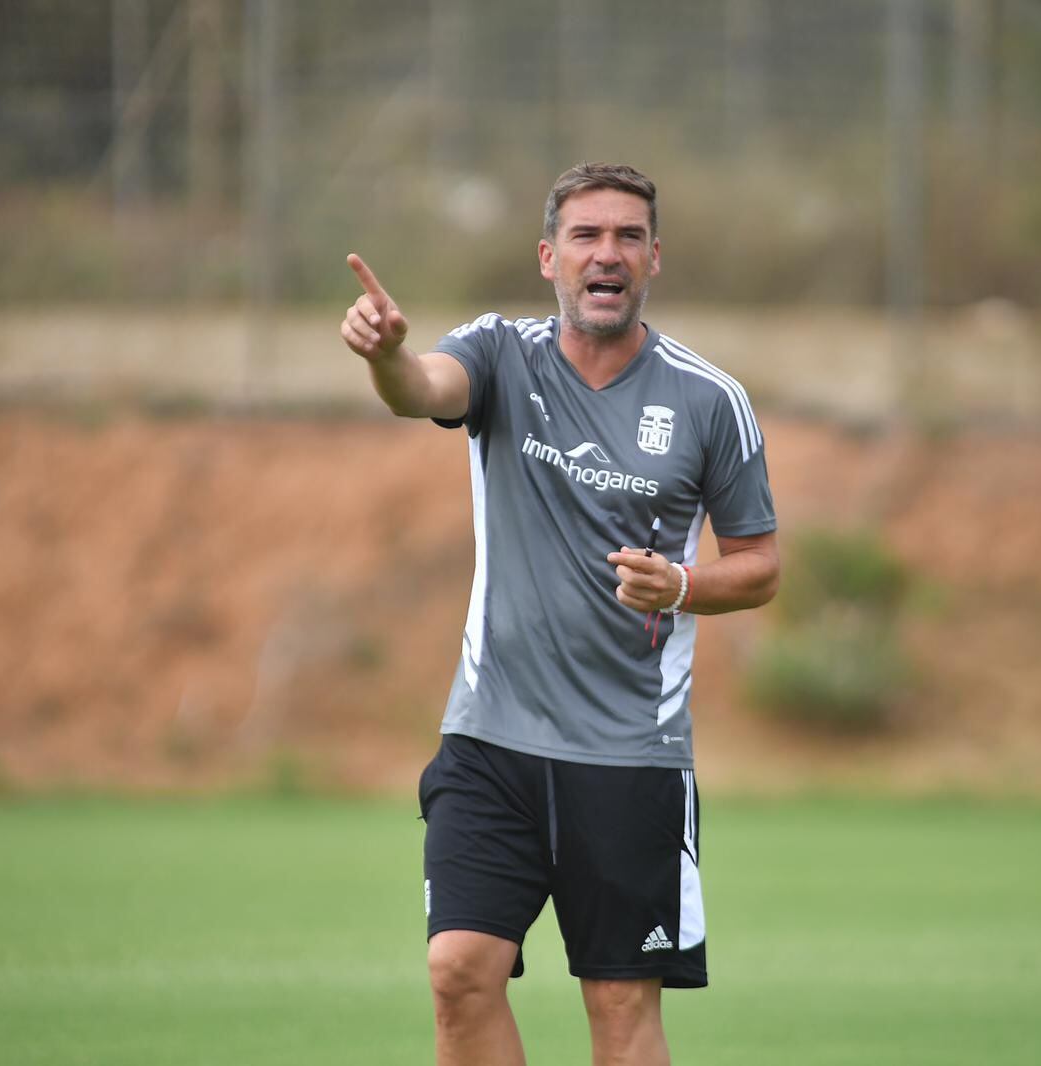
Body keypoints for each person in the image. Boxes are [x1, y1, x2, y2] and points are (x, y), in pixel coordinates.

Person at [340, 162, 779, 1066]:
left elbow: (762, 566)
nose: (605, 254)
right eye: (586, 236)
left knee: (619, 1007)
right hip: (490, 739)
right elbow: (422, 390)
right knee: (459, 971)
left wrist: (683, 586)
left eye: (626, 237)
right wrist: (386, 352)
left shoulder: (709, 401)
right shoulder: (500, 353)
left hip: (628, 754)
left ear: (655, 258)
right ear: (550, 257)